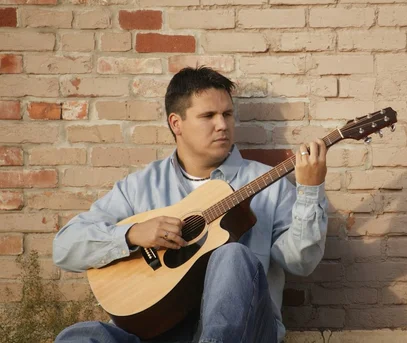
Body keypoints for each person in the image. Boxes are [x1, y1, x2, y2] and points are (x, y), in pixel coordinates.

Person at [52, 67, 328, 343]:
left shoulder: (269, 184)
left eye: (227, 114)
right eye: (208, 116)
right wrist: (131, 234)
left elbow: (301, 262)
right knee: (78, 337)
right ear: (176, 123)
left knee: (233, 255)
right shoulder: (142, 186)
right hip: (153, 331)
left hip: (247, 332)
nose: (222, 125)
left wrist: (310, 190)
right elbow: (65, 247)